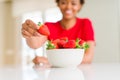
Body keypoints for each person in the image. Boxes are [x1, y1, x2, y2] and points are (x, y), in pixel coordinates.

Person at [21, 0, 95, 66]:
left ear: (80, 6)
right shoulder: (49, 26)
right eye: (63, 2)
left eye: (73, 3)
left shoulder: (85, 23)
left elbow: (88, 57)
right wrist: (30, 33)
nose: (68, 7)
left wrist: (50, 61)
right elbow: (35, 44)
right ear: (58, 4)